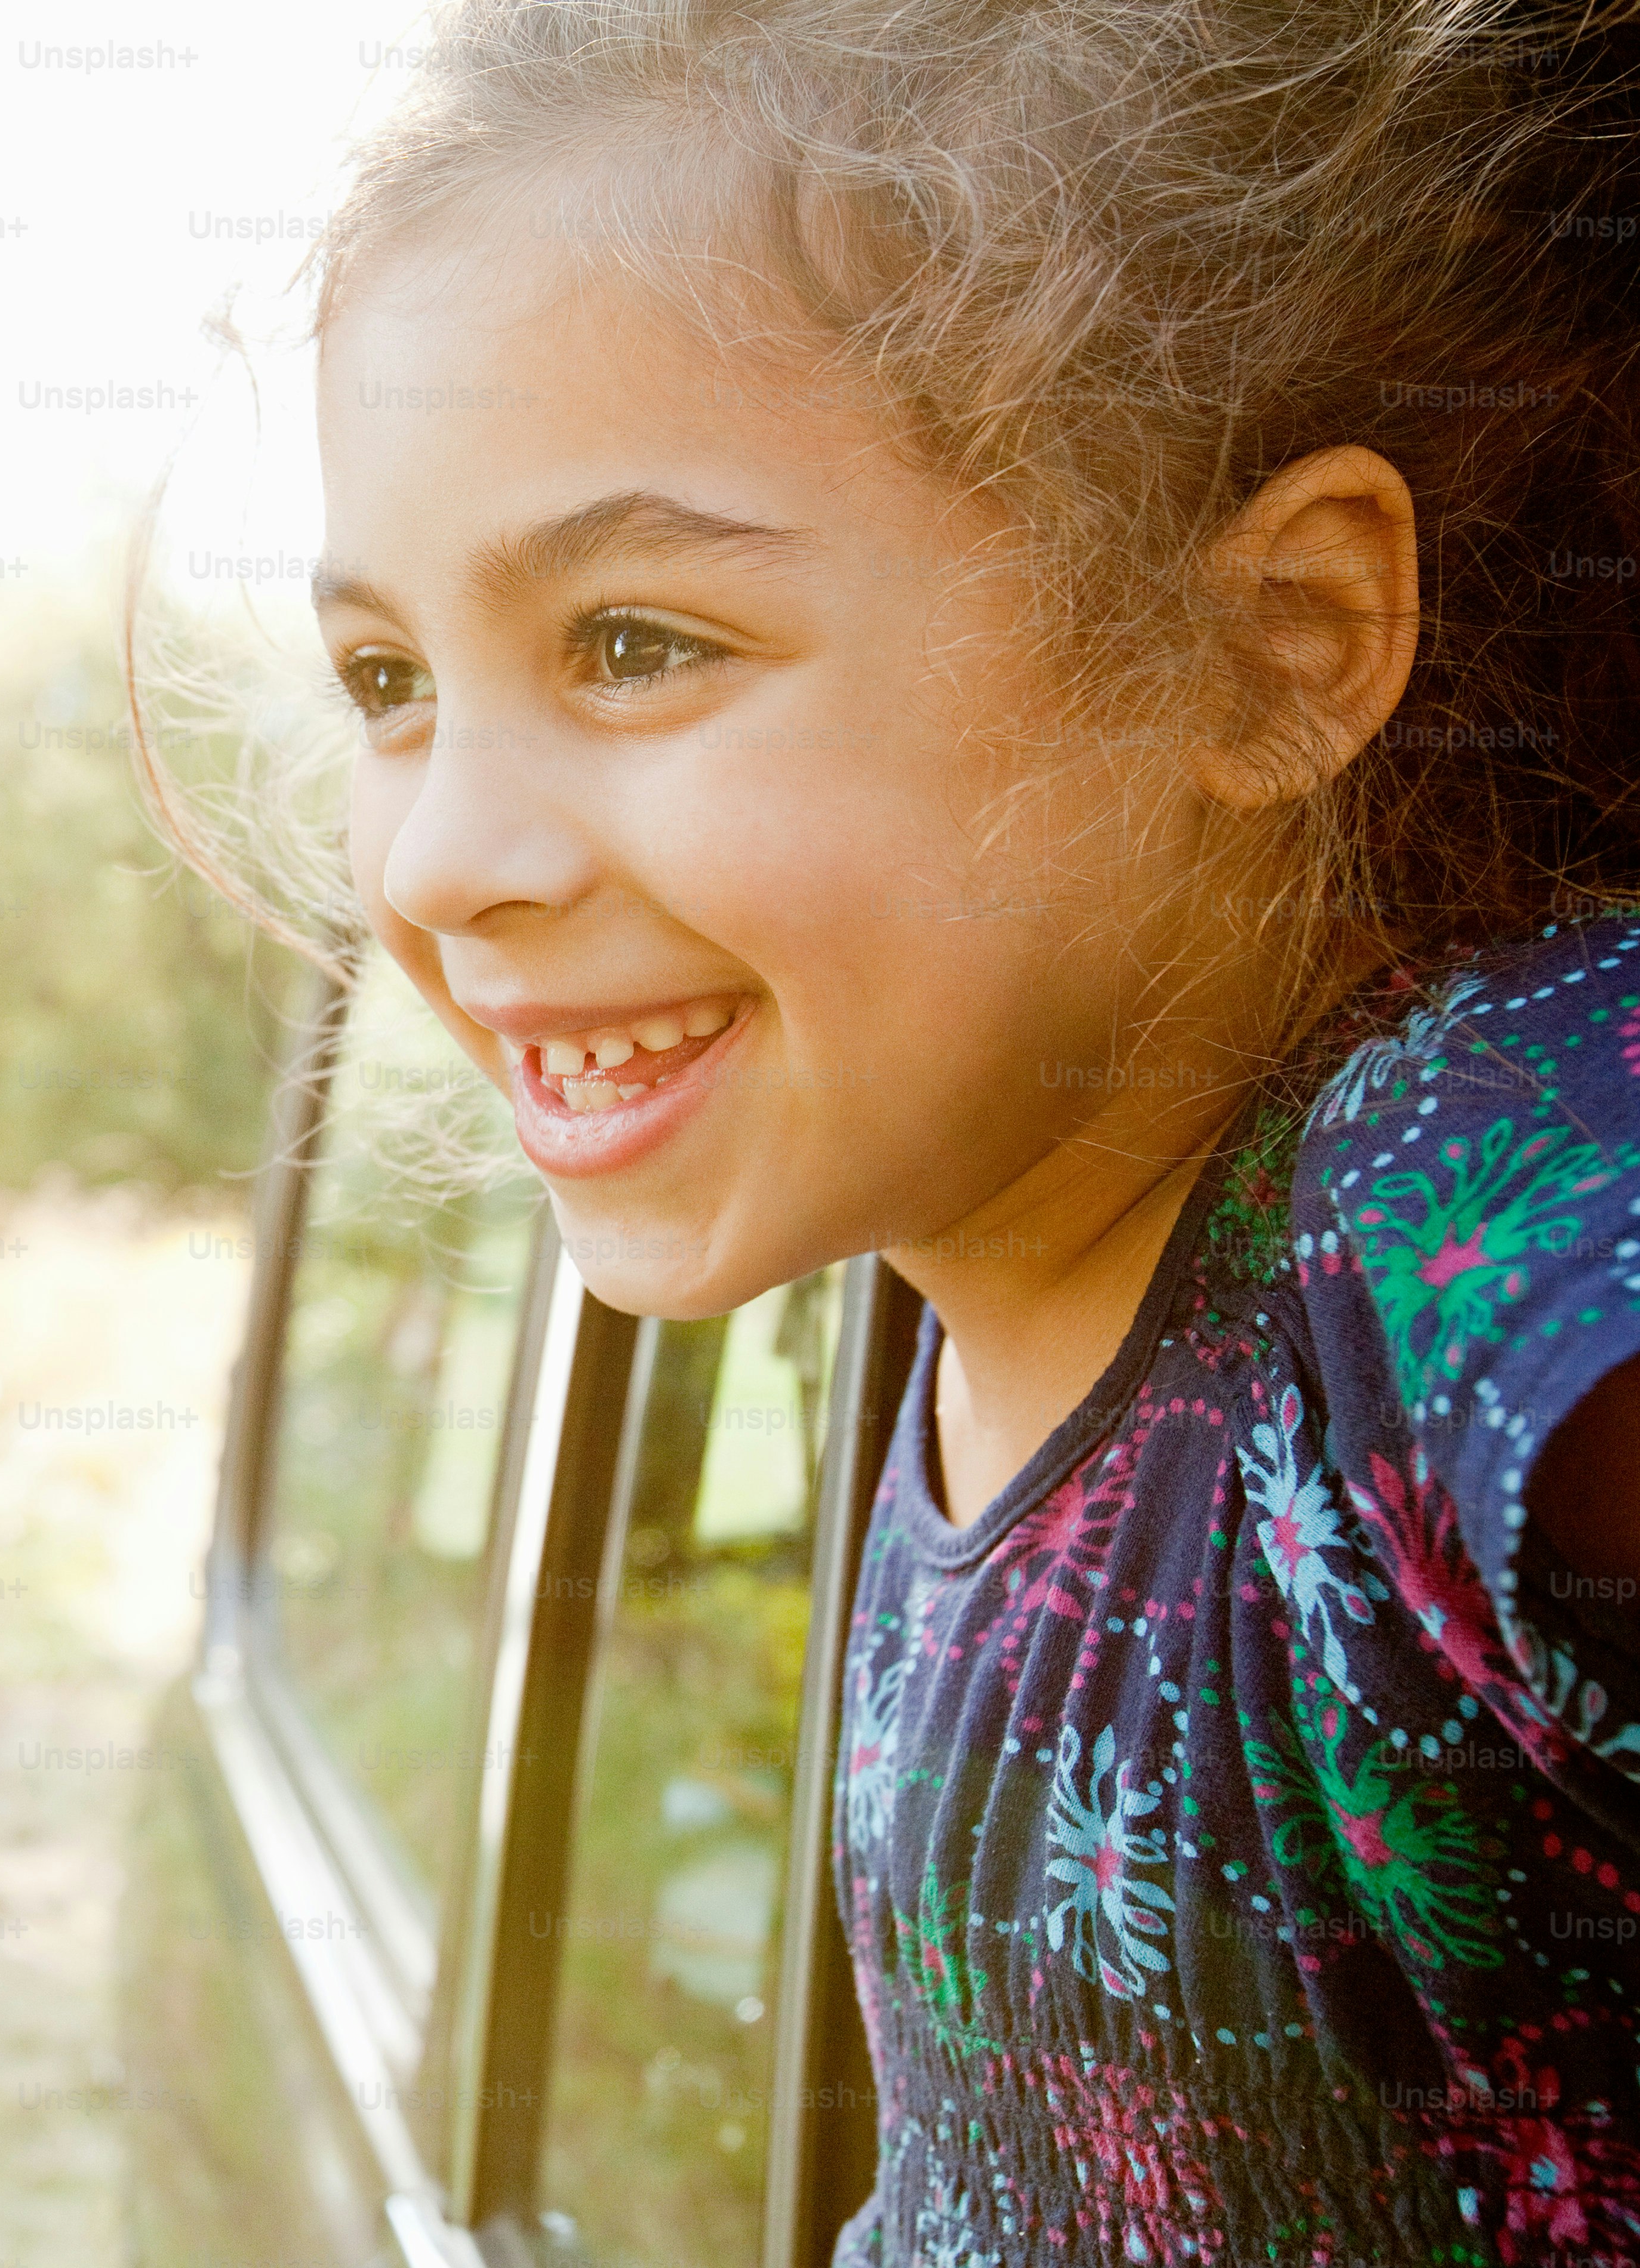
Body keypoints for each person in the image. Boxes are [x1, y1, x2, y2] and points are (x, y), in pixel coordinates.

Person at [143, 2, 1640, 2258]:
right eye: (387, 686)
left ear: (1268, 646)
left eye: (635, 642)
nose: (439, 861)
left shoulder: (1456, 1199)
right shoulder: (968, 1282)